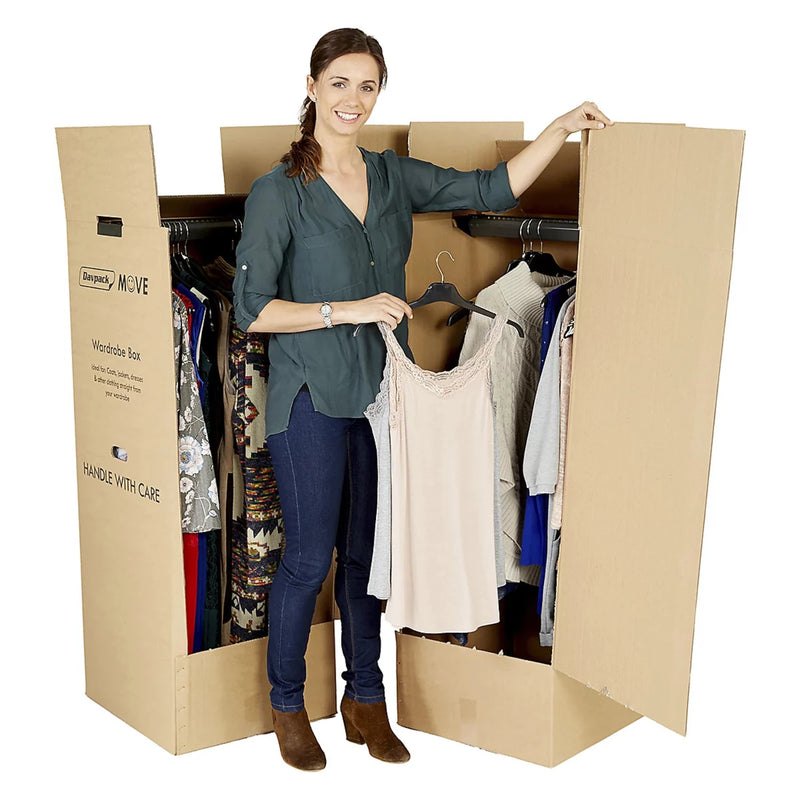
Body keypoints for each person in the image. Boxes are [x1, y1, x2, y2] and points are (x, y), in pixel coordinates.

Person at [233, 26, 613, 771]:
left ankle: (365, 700)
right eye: (339, 83)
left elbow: (492, 190)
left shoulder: (391, 176)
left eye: (367, 85)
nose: (353, 99)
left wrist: (559, 129)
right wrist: (348, 309)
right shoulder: (279, 193)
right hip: (310, 398)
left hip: (385, 397)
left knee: (367, 560)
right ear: (311, 87)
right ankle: (287, 707)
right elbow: (251, 309)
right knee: (307, 561)